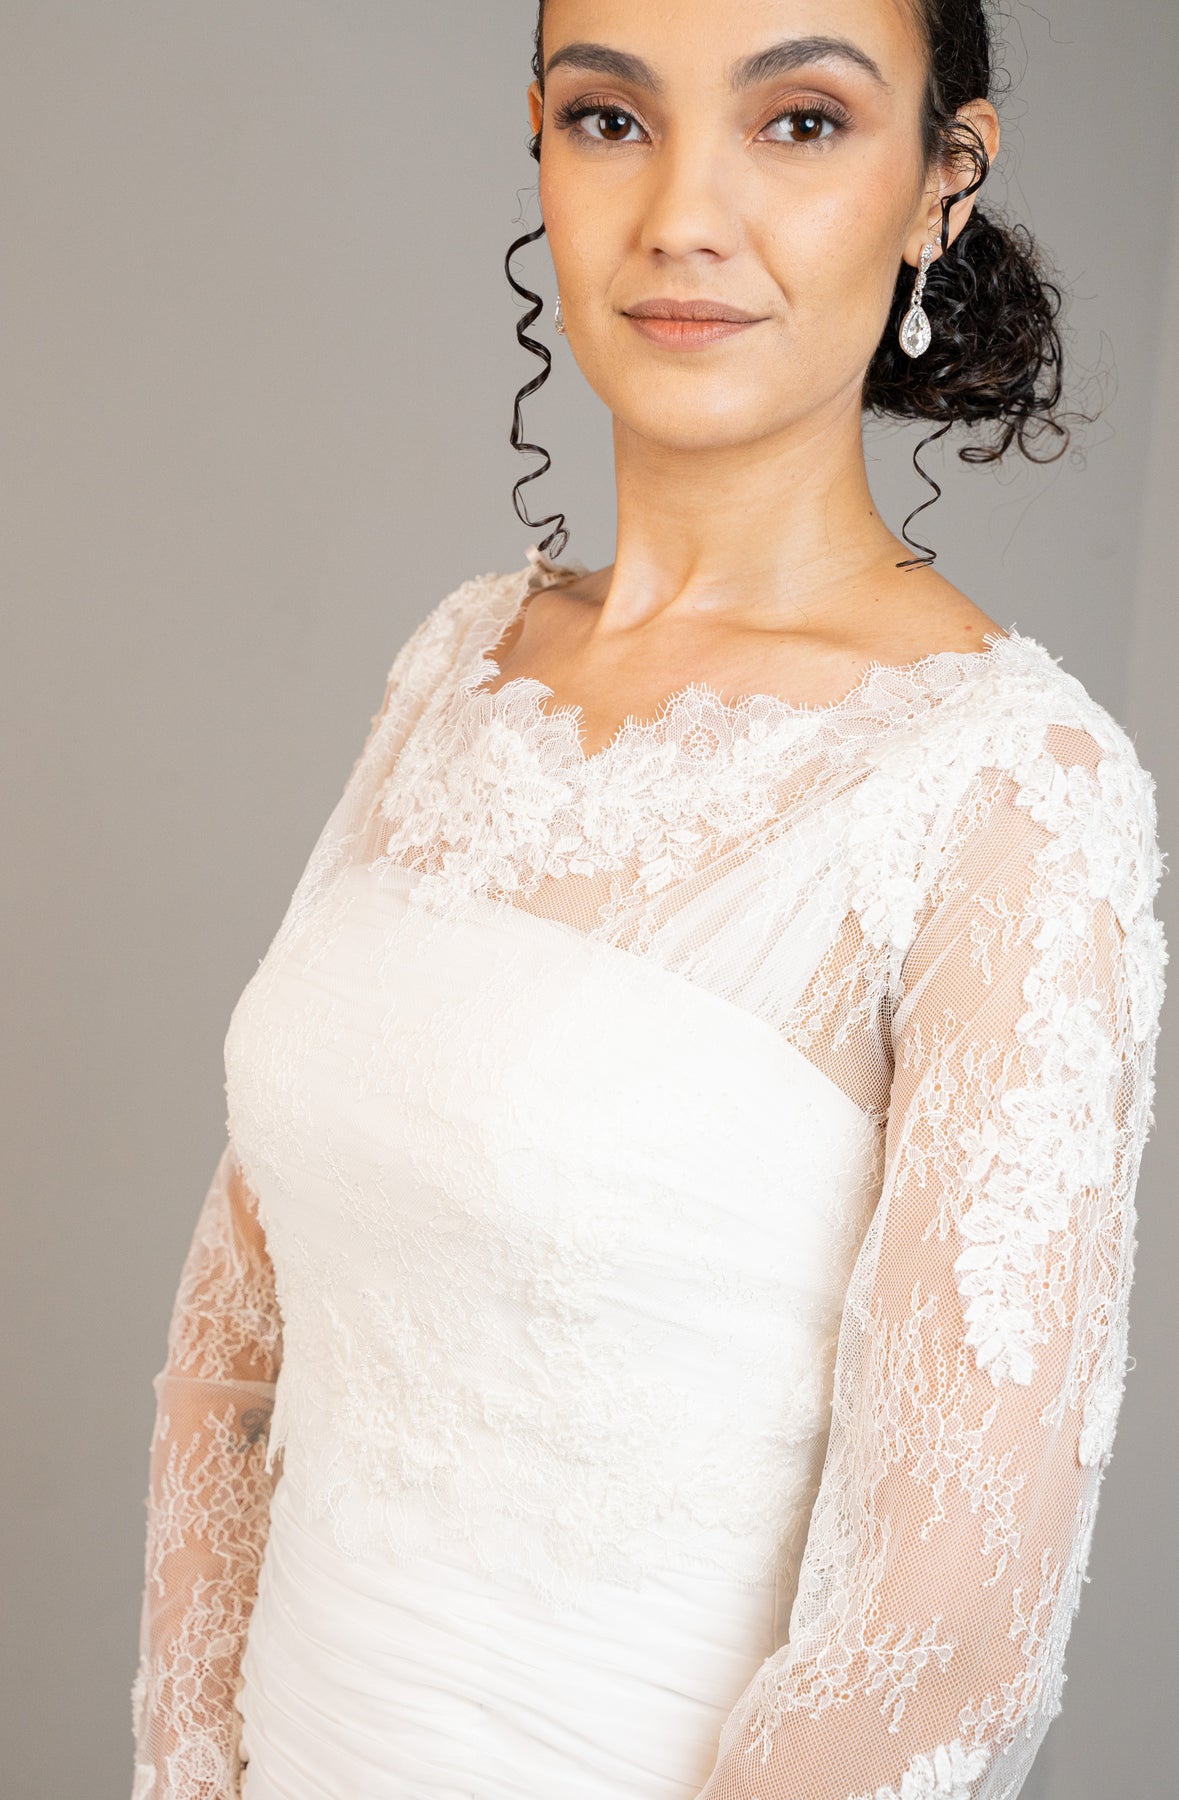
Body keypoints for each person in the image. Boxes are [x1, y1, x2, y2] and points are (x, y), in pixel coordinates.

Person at [129, 2, 1170, 1797]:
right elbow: (239, 1344)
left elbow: (944, 1644)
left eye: (801, 122)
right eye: (612, 119)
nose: (684, 215)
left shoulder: (1010, 788)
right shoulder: (462, 662)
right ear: (538, 139)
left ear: (946, 179)